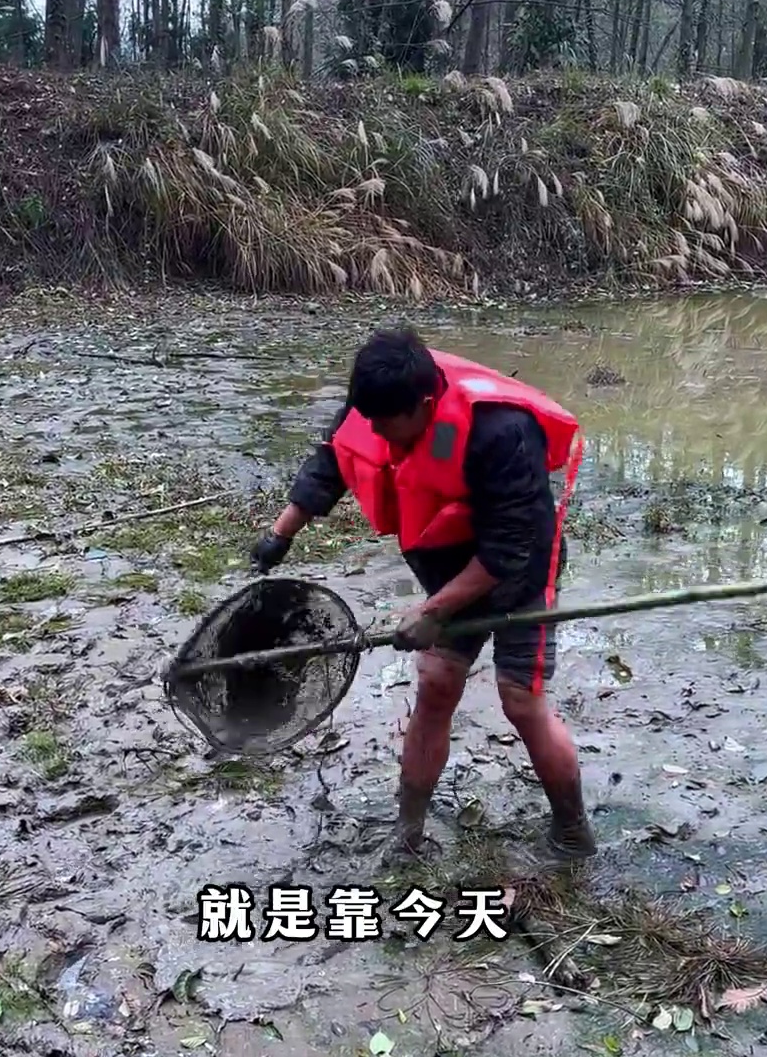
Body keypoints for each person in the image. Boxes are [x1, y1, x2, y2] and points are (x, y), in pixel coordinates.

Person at [249, 325, 595, 862]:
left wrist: (430, 612)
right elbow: (332, 462)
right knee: (435, 684)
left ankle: (572, 834)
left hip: (520, 570)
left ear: (428, 403)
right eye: (374, 425)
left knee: (520, 701)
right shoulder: (375, 402)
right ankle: (409, 832)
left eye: (393, 429)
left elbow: (509, 553)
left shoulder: (502, 432)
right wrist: (280, 535)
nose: (383, 439)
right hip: (446, 562)